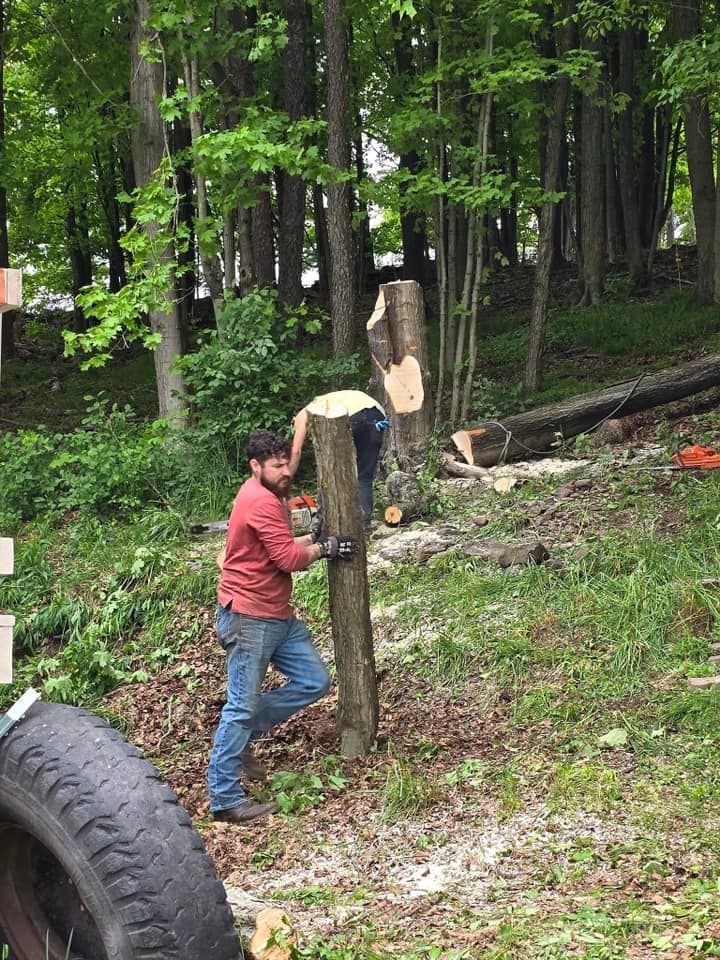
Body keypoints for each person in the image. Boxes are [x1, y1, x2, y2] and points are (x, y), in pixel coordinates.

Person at [208, 429, 357, 824]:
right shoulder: (258, 501)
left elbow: (279, 546)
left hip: (276, 613)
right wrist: (325, 547)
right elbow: (288, 559)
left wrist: (314, 536)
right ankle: (224, 800)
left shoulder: (269, 497)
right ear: (255, 466)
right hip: (249, 615)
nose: (284, 471)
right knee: (239, 706)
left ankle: (242, 737)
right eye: (276, 466)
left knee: (314, 681)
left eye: (286, 463)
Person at [289, 390, 389, 525]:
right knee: (364, 475)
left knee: (330, 471)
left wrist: (286, 478)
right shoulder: (325, 402)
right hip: (377, 414)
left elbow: (295, 451)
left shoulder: (303, 414)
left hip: (354, 416)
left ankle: (322, 522)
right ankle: (364, 523)